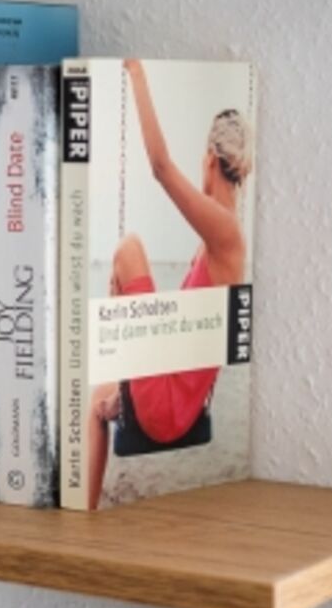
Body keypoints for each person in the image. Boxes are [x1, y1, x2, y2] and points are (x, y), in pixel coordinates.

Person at [82, 59, 252, 509]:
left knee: (129, 248)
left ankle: (122, 368)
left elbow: (160, 166)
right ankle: (85, 513)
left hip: (168, 409)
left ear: (209, 159)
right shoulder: (220, 242)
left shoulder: (224, 232)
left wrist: (137, 75)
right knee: (96, 402)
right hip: (179, 410)